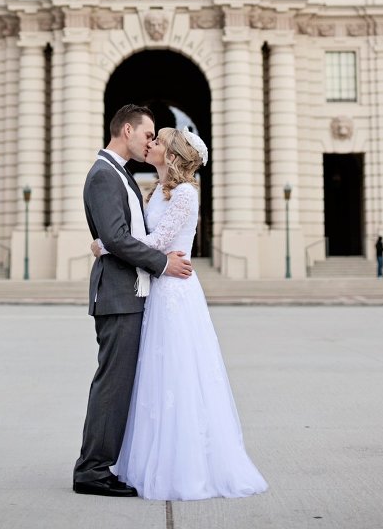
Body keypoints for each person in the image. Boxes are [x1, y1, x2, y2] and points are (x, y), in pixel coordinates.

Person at [91, 127, 268, 501]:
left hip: (174, 291)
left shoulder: (186, 194)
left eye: (159, 140)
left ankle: (182, 466)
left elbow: (157, 242)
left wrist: (104, 245)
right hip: (156, 288)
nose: (151, 143)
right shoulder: (157, 192)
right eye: (150, 137)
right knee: (153, 377)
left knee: (177, 375)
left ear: (172, 155)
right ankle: (147, 459)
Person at [73, 105, 193, 498]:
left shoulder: (120, 174)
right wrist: (162, 264)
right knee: (112, 384)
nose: (150, 141)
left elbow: (118, 237)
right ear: (127, 130)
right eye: (148, 133)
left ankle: (104, 463)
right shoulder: (104, 175)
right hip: (119, 295)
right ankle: (91, 469)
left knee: (122, 385)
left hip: (131, 292)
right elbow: (119, 238)